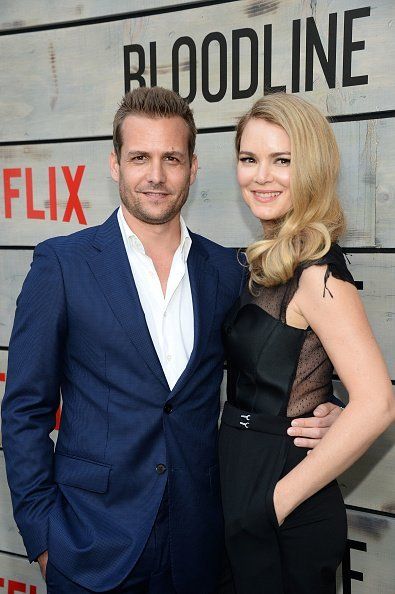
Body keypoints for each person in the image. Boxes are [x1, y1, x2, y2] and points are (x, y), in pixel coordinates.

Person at [2, 87, 341, 594]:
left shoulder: (228, 271)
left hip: (200, 545)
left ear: (194, 168)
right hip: (91, 545)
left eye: (171, 159)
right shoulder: (63, 265)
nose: (156, 176)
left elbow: (265, 366)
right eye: (140, 157)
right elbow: (24, 410)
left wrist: (327, 408)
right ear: (115, 164)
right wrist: (46, 536)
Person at [218, 92, 395, 594]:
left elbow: (379, 403)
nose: (261, 176)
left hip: (282, 496)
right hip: (245, 473)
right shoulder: (272, 259)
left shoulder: (317, 272)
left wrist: (272, 503)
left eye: (282, 161)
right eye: (249, 159)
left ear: (311, 167)